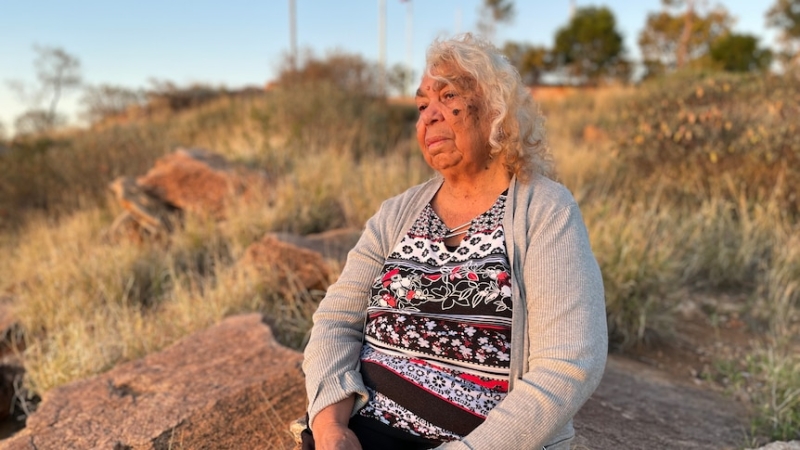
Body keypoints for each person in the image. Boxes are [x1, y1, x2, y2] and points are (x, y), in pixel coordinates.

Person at [301, 33, 607, 450]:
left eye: (448, 97)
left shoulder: (545, 209)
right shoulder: (396, 212)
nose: (428, 117)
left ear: (497, 110)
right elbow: (336, 322)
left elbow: (569, 363)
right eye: (422, 105)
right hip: (363, 430)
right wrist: (331, 428)